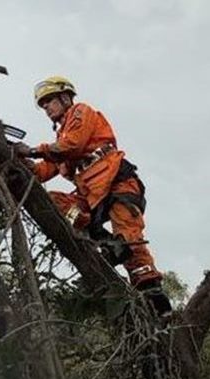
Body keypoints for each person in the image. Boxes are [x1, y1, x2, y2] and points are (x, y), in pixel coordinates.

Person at [16, 76, 170, 313]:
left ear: (65, 97)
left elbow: (73, 145)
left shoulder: (80, 112)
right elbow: (43, 171)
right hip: (91, 195)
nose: (46, 107)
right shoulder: (60, 141)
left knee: (128, 237)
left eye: (49, 101)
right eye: (43, 104)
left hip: (118, 181)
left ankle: (152, 293)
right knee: (53, 201)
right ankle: (99, 236)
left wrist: (34, 150)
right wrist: (18, 160)